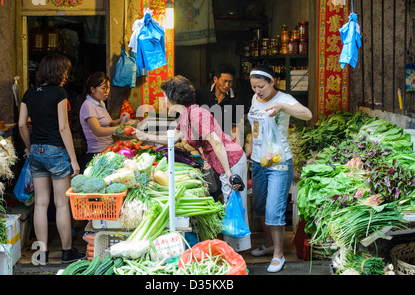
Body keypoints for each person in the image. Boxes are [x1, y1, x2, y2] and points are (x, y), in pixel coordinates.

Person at [131, 75, 251, 252]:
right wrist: (144, 137)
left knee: (233, 206)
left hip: (231, 160)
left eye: (165, 96)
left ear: (173, 97)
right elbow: (174, 138)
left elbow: (216, 142)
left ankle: (235, 252)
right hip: (224, 162)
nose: (164, 100)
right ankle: (232, 251)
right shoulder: (187, 114)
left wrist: (228, 173)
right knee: (229, 205)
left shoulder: (196, 114)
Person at [18, 53, 85, 264]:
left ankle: (42, 253)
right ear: (57, 71)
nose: (66, 75)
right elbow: (63, 127)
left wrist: (30, 148)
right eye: (65, 71)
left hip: (37, 151)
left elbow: (21, 124)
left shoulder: (28, 93)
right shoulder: (59, 93)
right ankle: (67, 251)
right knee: (62, 204)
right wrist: (74, 160)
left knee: (40, 203)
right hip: (56, 151)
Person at [246, 64, 312, 273]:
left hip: (279, 163)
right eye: (254, 86)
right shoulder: (254, 99)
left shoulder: (284, 99)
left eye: (261, 86)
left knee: (274, 211)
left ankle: (279, 254)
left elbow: (307, 114)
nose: (257, 91)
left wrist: (282, 107)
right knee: (261, 207)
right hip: (258, 161)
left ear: (272, 82)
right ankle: (269, 244)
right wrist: (249, 146)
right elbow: (255, 127)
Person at [195, 63, 244, 199]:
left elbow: (236, 126)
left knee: (226, 184)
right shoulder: (201, 94)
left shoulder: (236, 99)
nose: (227, 85)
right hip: (206, 147)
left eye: (230, 82)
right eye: (224, 81)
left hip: (224, 147)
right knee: (210, 186)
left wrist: (239, 147)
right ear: (215, 79)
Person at [78, 71, 134, 168]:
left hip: (107, 150)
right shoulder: (88, 105)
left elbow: (108, 123)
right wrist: (121, 128)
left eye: (108, 88)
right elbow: (98, 131)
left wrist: (119, 120)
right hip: (97, 154)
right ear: (92, 89)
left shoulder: (100, 103)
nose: (107, 91)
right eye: (103, 88)